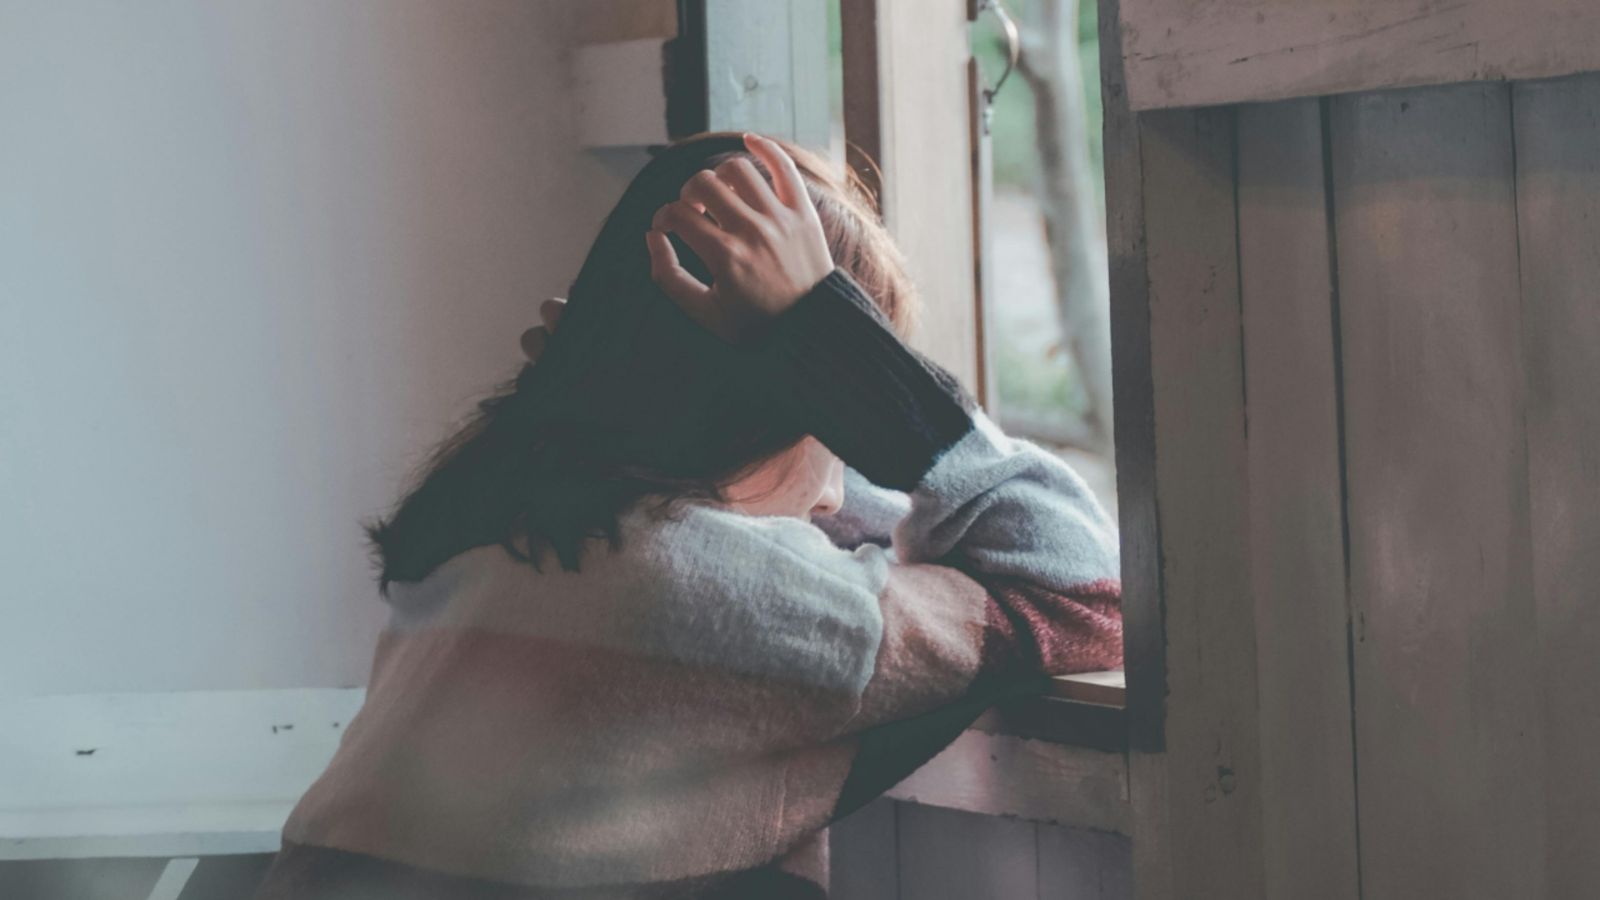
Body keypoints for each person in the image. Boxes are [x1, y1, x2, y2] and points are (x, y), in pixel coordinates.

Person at [251, 131, 1122, 899]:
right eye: (836, 432)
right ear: (783, 411)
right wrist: (844, 352)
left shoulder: (486, 532)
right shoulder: (721, 596)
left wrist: (594, 382)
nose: (838, 491)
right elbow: (1082, 592)